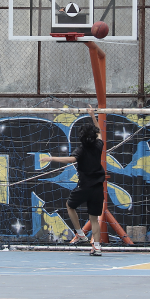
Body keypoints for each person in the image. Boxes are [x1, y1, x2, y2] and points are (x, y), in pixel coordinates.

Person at [44, 107, 105, 256]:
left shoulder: (81, 150)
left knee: (69, 206)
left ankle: (80, 234)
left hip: (84, 187)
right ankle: (96, 247)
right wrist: (93, 115)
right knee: (94, 219)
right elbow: (99, 133)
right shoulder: (98, 146)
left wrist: (51, 158)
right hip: (98, 188)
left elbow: (71, 159)